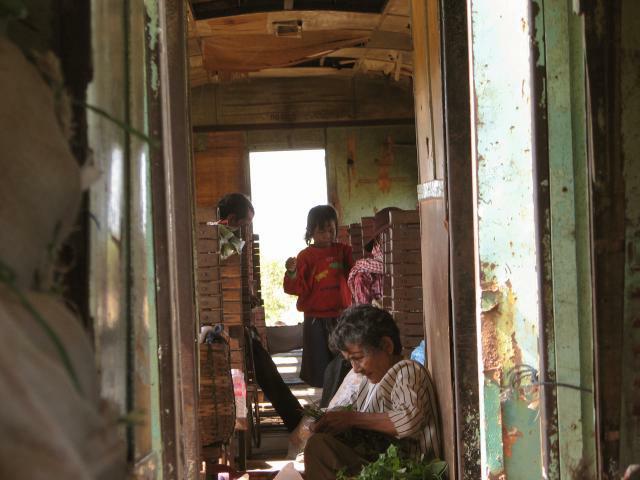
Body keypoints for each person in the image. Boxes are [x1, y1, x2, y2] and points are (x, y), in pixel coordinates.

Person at [304, 305, 441, 480]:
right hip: (381, 469)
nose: (355, 369)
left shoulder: (407, 371)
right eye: (350, 361)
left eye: (358, 358)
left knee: (319, 447)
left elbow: (408, 420)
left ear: (386, 346)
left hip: (409, 473)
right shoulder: (369, 383)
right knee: (320, 445)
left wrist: (352, 419)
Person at [283, 205, 354, 389]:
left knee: (345, 363)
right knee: (319, 365)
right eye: (322, 231)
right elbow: (296, 287)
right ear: (311, 232)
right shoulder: (305, 256)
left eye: (331, 230)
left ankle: (341, 396)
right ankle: (325, 398)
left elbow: (356, 272)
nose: (328, 235)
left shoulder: (343, 251)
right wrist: (291, 272)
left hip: (341, 316)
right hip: (315, 319)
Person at [347, 207, 400, 306]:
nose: (397, 239)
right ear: (377, 241)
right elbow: (365, 314)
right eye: (390, 234)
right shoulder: (364, 277)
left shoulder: (415, 264)